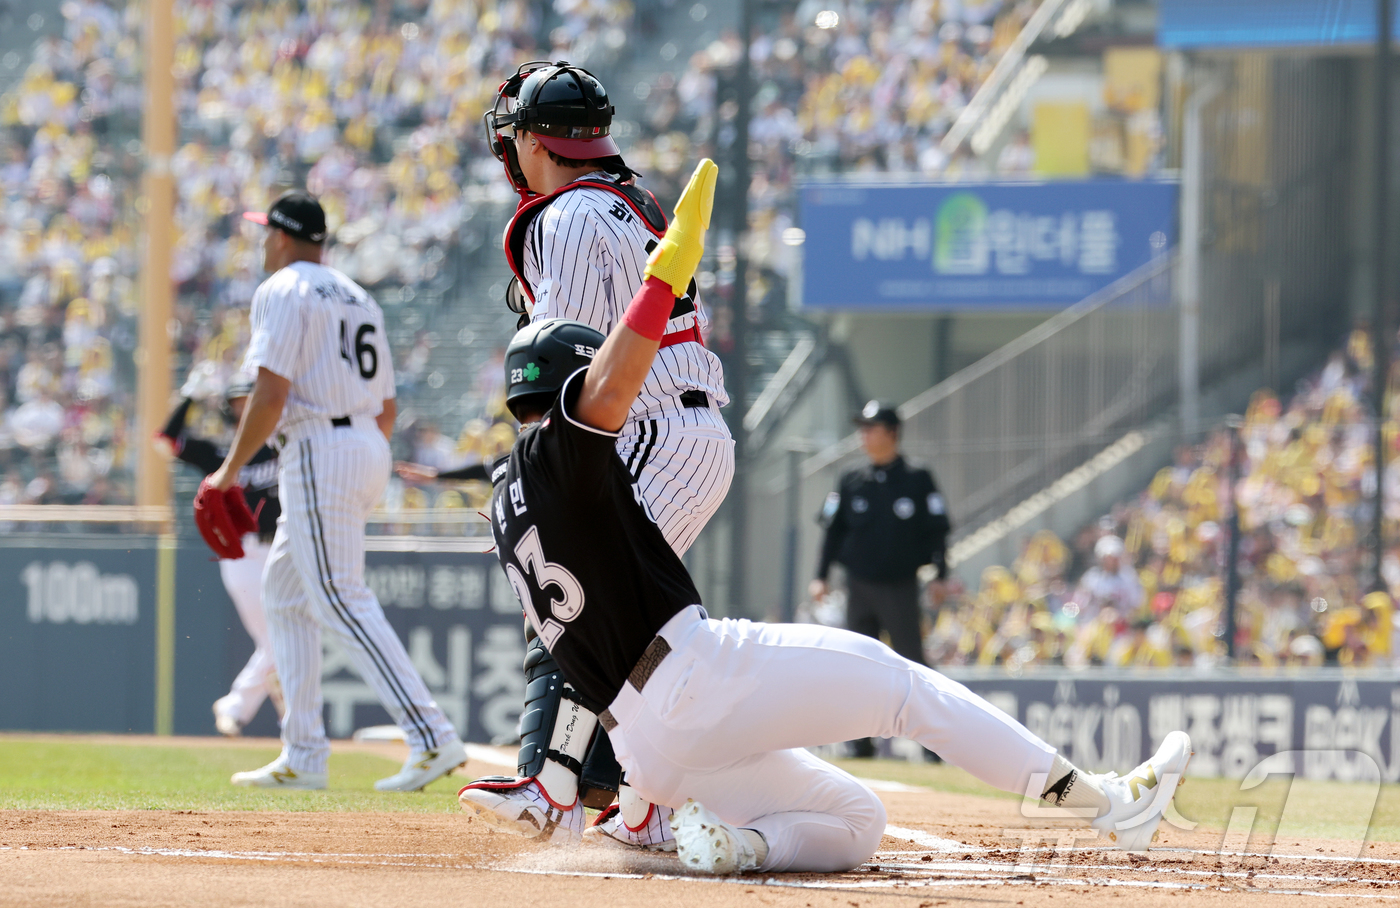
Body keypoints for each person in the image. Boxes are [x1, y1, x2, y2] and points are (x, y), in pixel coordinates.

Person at [463, 160, 1192, 874]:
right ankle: (1110, 802)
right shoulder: (565, 450)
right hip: (690, 676)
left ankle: (736, 848)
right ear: (566, 392)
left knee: (857, 820)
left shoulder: (507, 500)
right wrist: (668, 268)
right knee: (909, 692)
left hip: (644, 743)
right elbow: (615, 384)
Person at [459, 60, 734, 851]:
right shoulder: (623, 203)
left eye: (512, 138)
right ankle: (640, 800)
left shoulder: (570, 216)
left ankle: (552, 786)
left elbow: (569, 359)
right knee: (632, 624)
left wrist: (546, 468)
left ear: (531, 144)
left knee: (566, 593)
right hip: (685, 432)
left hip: (646, 429)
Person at [206, 190, 465, 791]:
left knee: (338, 596)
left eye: (264, 233)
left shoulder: (281, 289)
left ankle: (431, 736)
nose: (262, 244)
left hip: (321, 445)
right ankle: (303, 754)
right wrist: (358, 454)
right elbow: (390, 406)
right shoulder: (356, 292)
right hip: (361, 439)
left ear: (280, 236)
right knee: (285, 594)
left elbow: (270, 396)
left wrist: (227, 472)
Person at [809, 401, 950, 758]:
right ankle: (860, 742)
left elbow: (937, 530)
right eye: (862, 428)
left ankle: (934, 744)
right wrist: (820, 575)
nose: (864, 435)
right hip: (859, 586)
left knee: (912, 663)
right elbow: (832, 531)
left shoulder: (918, 478)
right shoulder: (851, 479)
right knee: (858, 663)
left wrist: (940, 574)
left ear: (892, 433)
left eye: (871, 428)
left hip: (900, 586)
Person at [157, 372, 283, 736]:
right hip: (243, 552)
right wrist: (190, 398)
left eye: (250, 400)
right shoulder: (221, 453)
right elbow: (165, 441)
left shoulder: (284, 444)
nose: (244, 408)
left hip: (282, 547)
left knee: (284, 639)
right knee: (277, 642)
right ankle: (272, 713)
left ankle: (249, 707)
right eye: (238, 403)